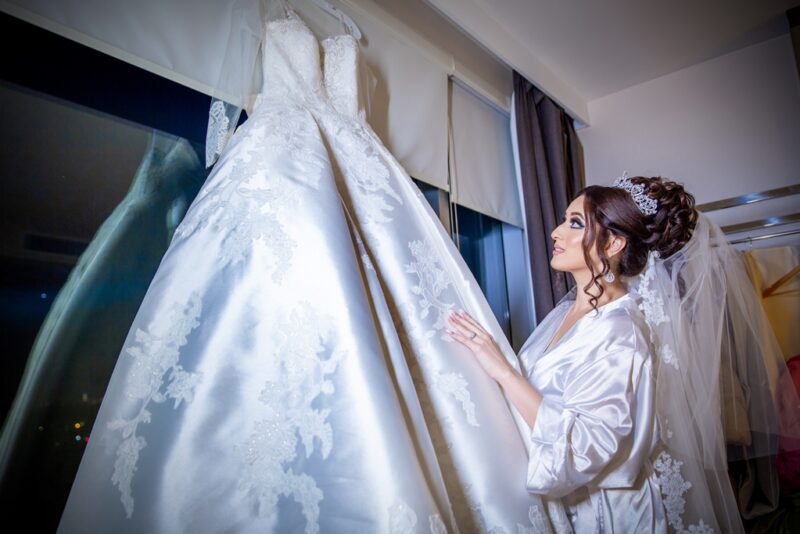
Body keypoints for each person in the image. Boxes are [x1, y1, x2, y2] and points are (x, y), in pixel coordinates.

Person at [449, 175, 782, 532]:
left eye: (575, 223)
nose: (556, 233)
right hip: (563, 502)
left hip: (606, 512)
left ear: (613, 244)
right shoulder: (566, 314)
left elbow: (587, 447)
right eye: (563, 220)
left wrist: (504, 372)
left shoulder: (619, 331)